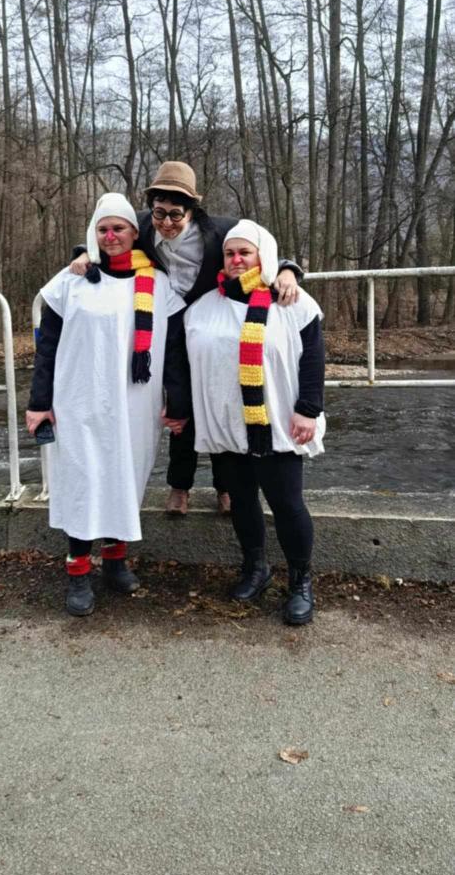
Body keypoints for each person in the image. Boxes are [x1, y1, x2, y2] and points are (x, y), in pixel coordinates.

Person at [70, 161, 303, 516]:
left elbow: (259, 247)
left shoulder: (221, 231)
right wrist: (84, 253)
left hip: (214, 323)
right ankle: (180, 486)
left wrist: (287, 270)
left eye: (176, 215)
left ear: (192, 210)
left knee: (221, 399)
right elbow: (107, 235)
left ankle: (225, 487)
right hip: (169, 324)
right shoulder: (142, 225)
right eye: (159, 212)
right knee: (180, 406)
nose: (166, 223)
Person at [26, 193, 190, 617]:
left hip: (134, 404)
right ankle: (79, 572)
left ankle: (115, 562)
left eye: (118, 228)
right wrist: (39, 402)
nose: (110, 236)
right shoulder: (72, 281)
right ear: (92, 234)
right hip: (80, 401)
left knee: (123, 480)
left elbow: (174, 351)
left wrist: (178, 403)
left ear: (135, 233)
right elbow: (47, 348)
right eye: (102, 229)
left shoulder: (158, 284)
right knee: (84, 483)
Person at [184, 219, 325, 625]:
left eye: (245, 252)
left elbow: (313, 359)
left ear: (263, 256)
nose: (236, 259)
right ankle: (256, 568)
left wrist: (308, 409)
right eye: (230, 253)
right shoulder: (203, 307)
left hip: (277, 423)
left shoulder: (292, 303)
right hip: (228, 425)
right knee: (242, 501)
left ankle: (300, 581)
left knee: (287, 504)